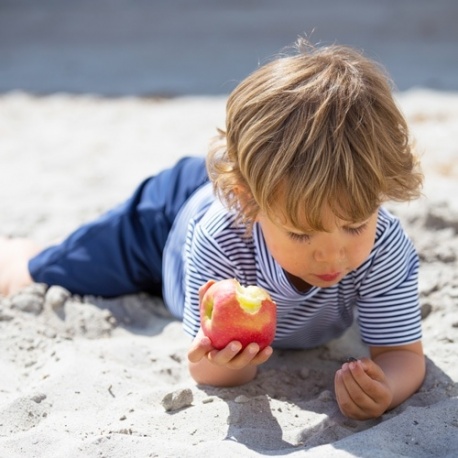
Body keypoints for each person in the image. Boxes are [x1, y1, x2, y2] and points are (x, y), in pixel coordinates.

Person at [0, 38, 425, 420]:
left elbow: (402, 354)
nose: (333, 255)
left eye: (354, 225)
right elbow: (203, 369)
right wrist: (229, 367)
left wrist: (386, 387)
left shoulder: (386, 246)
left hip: (250, 192)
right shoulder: (221, 237)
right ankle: (17, 252)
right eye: (301, 234)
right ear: (247, 202)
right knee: (40, 274)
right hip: (164, 223)